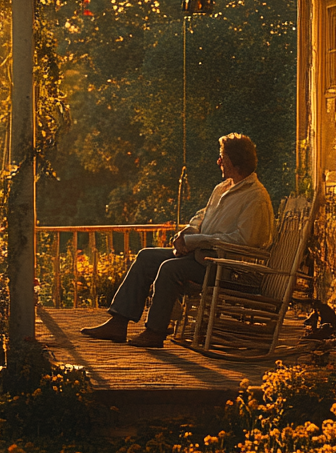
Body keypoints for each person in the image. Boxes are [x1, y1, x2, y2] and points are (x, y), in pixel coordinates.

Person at [81, 133, 273, 348]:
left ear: (233, 160)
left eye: (222, 157)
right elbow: (203, 216)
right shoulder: (223, 188)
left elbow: (244, 241)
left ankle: (155, 332)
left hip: (224, 267)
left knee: (170, 269)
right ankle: (118, 322)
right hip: (201, 257)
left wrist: (196, 241)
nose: (218, 161)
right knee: (147, 256)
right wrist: (186, 233)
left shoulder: (255, 197)